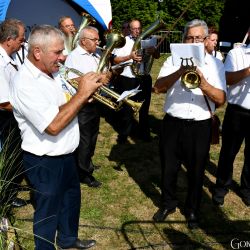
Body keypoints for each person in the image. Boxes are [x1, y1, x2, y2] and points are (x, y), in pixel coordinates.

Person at [10, 25, 103, 250]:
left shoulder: (53, 72)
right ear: (37, 52)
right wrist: (82, 94)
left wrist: (85, 94)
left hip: (66, 154)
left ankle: (68, 240)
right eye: (58, 52)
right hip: (44, 160)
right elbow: (52, 125)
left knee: (71, 200)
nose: (63, 57)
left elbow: (65, 103)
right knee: (47, 211)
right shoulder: (24, 83)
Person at [152, 19, 226, 229]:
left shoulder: (216, 64)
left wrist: (203, 83)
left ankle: (193, 209)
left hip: (200, 126)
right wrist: (179, 72)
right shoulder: (172, 61)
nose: (193, 41)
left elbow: (220, 99)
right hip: (172, 123)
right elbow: (157, 88)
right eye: (189, 37)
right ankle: (168, 203)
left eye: (198, 38)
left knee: (196, 170)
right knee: (169, 168)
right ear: (184, 40)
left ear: (205, 40)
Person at [65, 26, 110, 188]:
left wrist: (107, 75)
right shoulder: (74, 56)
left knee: (92, 135)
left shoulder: (96, 54)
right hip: (83, 103)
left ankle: (87, 162)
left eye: (98, 39)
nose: (98, 42)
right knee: (84, 138)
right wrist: (99, 78)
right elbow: (72, 79)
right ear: (83, 41)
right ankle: (83, 173)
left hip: (96, 101)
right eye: (95, 40)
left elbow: (104, 73)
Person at [212, 27, 250, 207]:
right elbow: (227, 78)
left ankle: (247, 189)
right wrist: (248, 71)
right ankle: (221, 187)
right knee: (229, 152)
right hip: (238, 111)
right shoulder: (237, 53)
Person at [113, 19, 160, 143]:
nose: (136, 31)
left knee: (144, 107)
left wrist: (154, 51)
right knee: (127, 109)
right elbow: (115, 60)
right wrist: (130, 57)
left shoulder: (147, 40)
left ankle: (144, 134)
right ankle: (124, 135)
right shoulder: (123, 41)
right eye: (134, 29)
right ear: (129, 28)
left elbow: (157, 56)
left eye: (138, 28)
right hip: (129, 78)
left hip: (144, 77)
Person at [0, 18, 27, 208]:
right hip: (5, 118)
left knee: (15, 154)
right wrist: (29, 109)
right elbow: (3, 103)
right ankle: (7, 195)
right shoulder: (1, 63)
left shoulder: (10, 57)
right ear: (9, 39)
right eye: (21, 39)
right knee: (9, 155)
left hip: (11, 116)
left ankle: (10, 188)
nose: (23, 42)